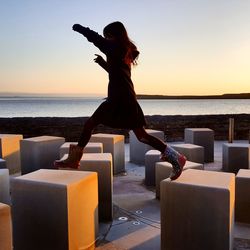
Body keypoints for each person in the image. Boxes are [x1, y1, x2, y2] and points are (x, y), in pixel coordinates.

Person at [54, 21, 186, 180]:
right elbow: (117, 72)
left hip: (119, 98)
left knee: (91, 124)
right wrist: (103, 63)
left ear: (113, 35)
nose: (105, 39)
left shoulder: (115, 47)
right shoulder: (123, 50)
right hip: (125, 96)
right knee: (141, 135)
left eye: (107, 36)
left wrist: (79, 28)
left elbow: (94, 38)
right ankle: (175, 157)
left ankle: (74, 160)